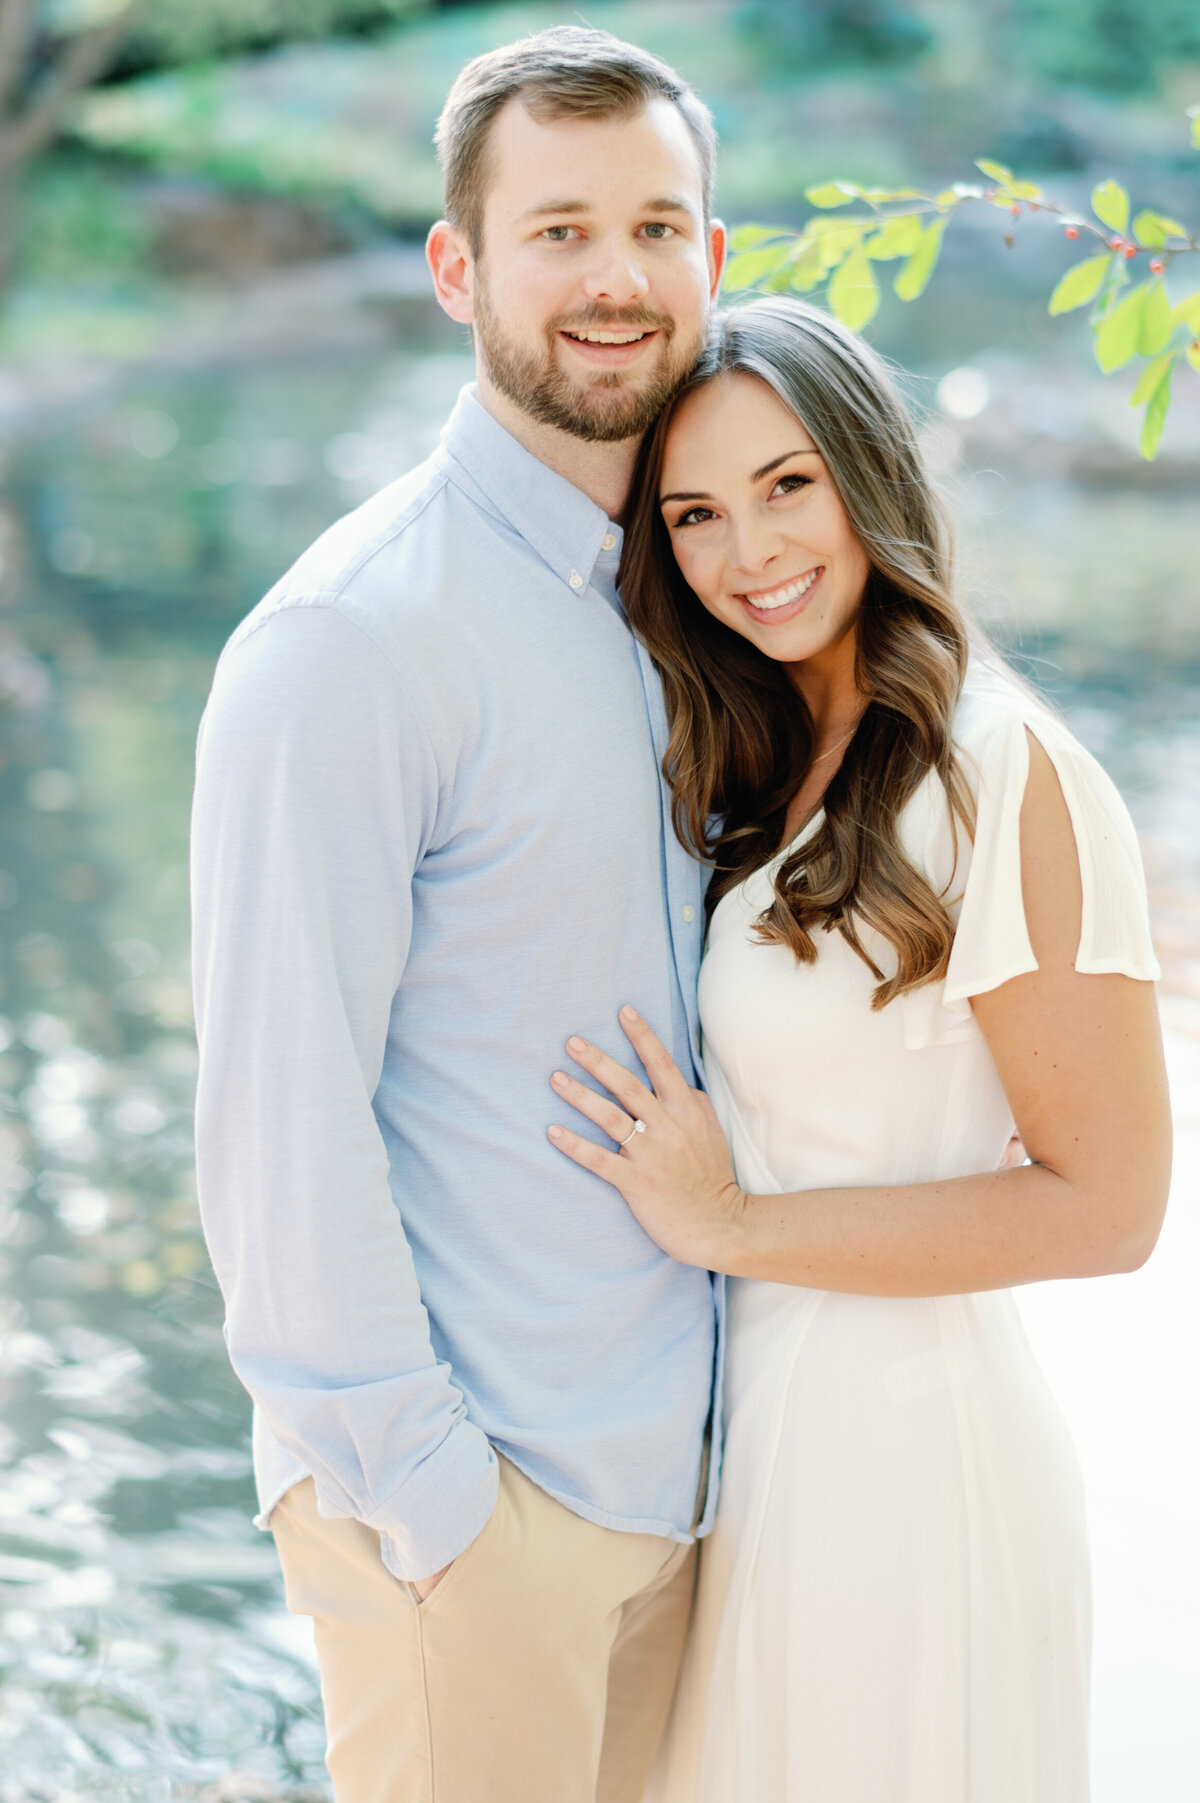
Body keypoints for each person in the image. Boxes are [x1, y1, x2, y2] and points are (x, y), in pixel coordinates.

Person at [189, 27, 728, 1803]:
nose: (616, 278)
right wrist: (434, 1502)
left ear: (714, 261)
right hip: (482, 1507)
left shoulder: (709, 597)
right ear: (457, 268)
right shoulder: (352, 643)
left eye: (657, 226)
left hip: (687, 1494)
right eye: (558, 230)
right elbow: (280, 1123)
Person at [547, 295, 1172, 1802]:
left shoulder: (1003, 767)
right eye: (696, 514)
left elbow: (1111, 1207)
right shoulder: (760, 762)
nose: (749, 553)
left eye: (788, 486)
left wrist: (736, 1225)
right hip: (753, 1446)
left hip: (900, 1459)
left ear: (869, 473)